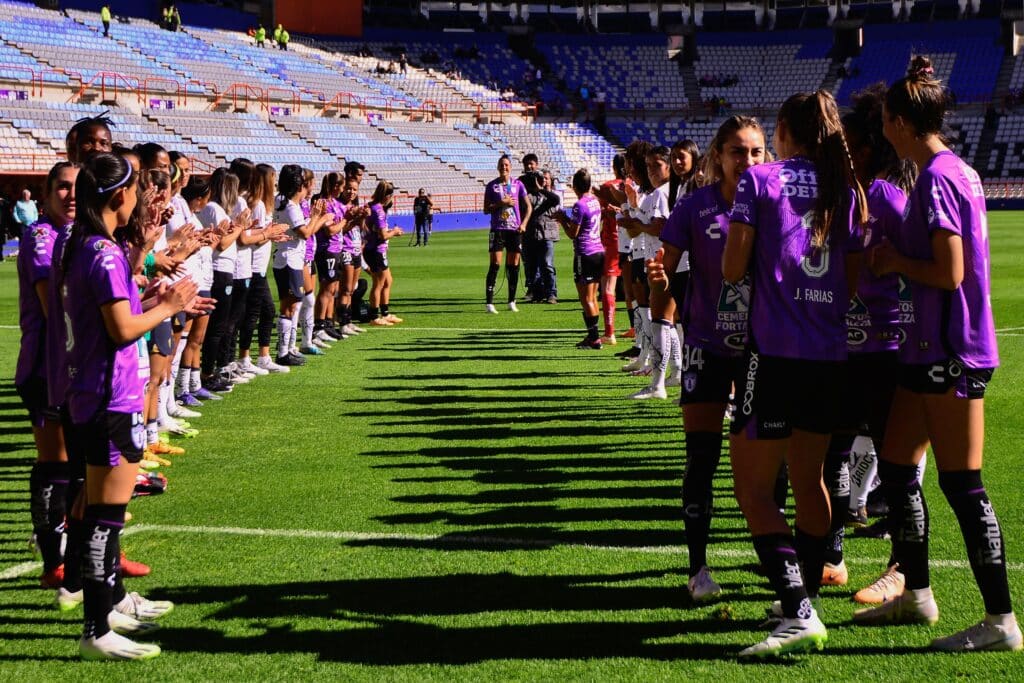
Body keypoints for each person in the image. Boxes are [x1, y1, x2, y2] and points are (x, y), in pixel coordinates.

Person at [854, 56, 1022, 652]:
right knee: (897, 464)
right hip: (927, 347)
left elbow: (949, 272)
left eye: (885, 124)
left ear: (898, 125)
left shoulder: (939, 177)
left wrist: (894, 261)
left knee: (962, 483)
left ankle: (1001, 621)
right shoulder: (957, 170)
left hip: (952, 349)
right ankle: (917, 594)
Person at [722, 90, 867, 657]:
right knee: (810, 482)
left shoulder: (761, 182)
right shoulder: (845, 189)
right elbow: (851, 283)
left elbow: (734, 267)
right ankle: (795, 598)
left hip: (774, 353)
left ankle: (799, 609)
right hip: (829, 356)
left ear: (783, 130)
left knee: (754, 490)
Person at [56, 153, 202, 660]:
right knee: (106, 514)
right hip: (108, 396)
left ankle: (106, 604)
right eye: (137, 189)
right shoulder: (104, 253)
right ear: (120, 196)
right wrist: (166, 306)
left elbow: (112, 317)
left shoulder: (89, 247)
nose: (140, 197)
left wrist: (156, 297)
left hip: (90, 392)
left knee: (97, 508)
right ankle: (97, 628)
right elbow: (120, 330)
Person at [651, 116, 768, 601]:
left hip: (763, 351)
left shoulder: (775, 203)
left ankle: (770, 557)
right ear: (717, 156)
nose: (748, 161)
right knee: (701, 458)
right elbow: (665, 271)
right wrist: (660, 287)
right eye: (738, 151)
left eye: (757, 151)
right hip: (705, 345)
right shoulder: (695, 206)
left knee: (769, 461)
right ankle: (698, 569)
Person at [17, 162, 78, 589]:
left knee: (76, 467)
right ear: (47, 192)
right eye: (62, 187)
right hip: (45, 367)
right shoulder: (41, 237)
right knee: (53, 465)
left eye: (78, 187)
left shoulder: (76, 237)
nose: (71, 195)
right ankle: (52, 560)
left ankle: (82, 559)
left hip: (72, 365)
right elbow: (52, 303)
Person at [273, 165, 330, 366]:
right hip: (290, 260)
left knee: (293, 304)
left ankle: (288, 349)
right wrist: (317, 217)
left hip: (287, 259)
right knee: (290, 306)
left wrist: (314, 218)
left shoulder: (281, 201)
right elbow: (305, 233)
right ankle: (282, 352)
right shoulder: (290, 206)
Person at [554, 169, 604, 348]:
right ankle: (593, 336)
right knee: (593, 297)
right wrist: (567, 218)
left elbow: (572, 233)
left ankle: (594, 338)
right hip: (598, 251)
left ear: (574, 187)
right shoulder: (595, 202)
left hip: (585, 253)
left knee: (586, 299)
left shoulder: (580, 205)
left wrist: (561, 219)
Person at [482, 155, 532, 314]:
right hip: (497, 229)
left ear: (511, 167)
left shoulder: (518, 185)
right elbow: (485, 209)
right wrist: (501, 203)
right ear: (498, 167)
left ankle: (511, 300)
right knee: (495, 264)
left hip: (514, 230)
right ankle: (489, 303)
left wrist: (523, 224)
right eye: (502, 165)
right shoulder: (491, 186)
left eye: (507, 165)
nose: (504, 167)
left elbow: (529, 207)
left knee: (514, 265)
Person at [594, 155, 626, 344]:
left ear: (613, 167)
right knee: (633, 288)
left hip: (611, 241)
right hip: (632, 241)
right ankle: (635, 328)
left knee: (607, 287)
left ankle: (609, 332)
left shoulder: (607, 187)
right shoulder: (633, 186)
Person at [363, 181, 404, 326]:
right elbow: (383, 235)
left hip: (376, 250)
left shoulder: (373, 207)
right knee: (378, 283)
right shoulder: (378, 210)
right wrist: (394, 232)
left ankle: (385, 313)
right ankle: (374, 316)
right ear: (387, 195)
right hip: (375, 251)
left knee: (387, 281)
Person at [523, 170, 560, 304]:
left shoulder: (551, 195)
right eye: (541, 178)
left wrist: (540, 188)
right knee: (532, 266)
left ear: (550, 181)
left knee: (547, 264)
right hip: (531, 234)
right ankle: (537, 293)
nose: (543, 180)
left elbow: (555, 200)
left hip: (547, 234)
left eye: (546, 178)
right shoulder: (532, 195)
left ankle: (551, 293)